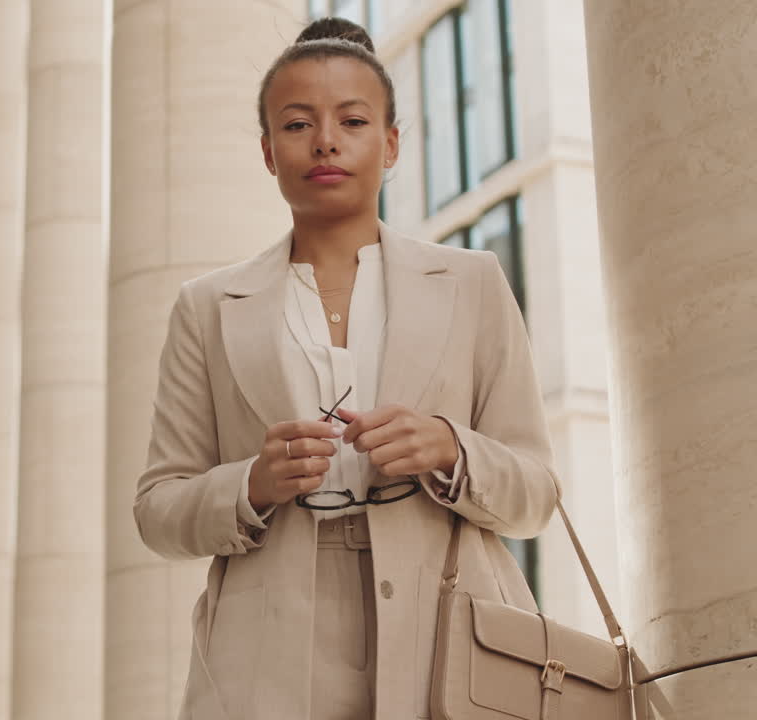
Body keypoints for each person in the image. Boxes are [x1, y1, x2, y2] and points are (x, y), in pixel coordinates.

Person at [133, 16, 560, 720]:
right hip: (264, 651)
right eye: (298, 124)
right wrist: (252, 483)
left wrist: (450, 448)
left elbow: (536, 493)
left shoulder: (473, 282)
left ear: (390, 143)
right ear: (268, 151)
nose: (326, 141)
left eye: (352, 121)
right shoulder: (206, 307)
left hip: (450, 637)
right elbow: (157, 509)